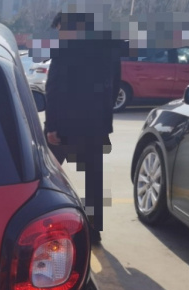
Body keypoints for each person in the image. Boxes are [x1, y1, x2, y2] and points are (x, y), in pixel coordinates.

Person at [44, 11, 126, 237]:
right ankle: (94, 228)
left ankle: (47, 223)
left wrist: (51, 126)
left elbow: (53, 89)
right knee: (94, 177)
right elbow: (115, 85)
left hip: (64, 125)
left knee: (47, 173)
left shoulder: (64, 50)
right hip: (96, 125)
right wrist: (102, 115)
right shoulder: (108, 49)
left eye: (61, 29)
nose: (60, 34)